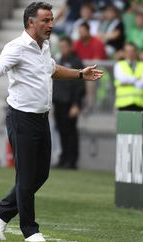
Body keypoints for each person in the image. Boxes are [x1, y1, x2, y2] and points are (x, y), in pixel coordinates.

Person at [0, 2, 103, 242]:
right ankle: (31, 231)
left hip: (42, 119)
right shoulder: (16, 46)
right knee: (26, 177)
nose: (51, 25)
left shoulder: (44, 45)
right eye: (46, 20)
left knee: (41, 174)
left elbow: (51, 69)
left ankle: (1, 212)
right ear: (30, 22)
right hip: (21, 118)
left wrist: (80, 74)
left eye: (52, 19)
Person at [53, 36, 85, 170]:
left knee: (70, 132)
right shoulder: (60, 60)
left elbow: (79, 85)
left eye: (65, 46)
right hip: (59, 102)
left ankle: (72, 160)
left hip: (69, 103)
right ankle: (64, 157)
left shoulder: (76, 62)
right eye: (61, 47)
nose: (62, 49)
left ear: (71, 47)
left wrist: (76, 104)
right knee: (61, 131)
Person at [114, 43, 143, 111]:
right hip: (124, 104)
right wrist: (137, 79)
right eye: (127, 51)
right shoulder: (119, 65)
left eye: (132, 51)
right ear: (124, 52)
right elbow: (122, 79)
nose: (130, 53)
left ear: (136, 52)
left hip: (141, 104)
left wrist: (130, 80)